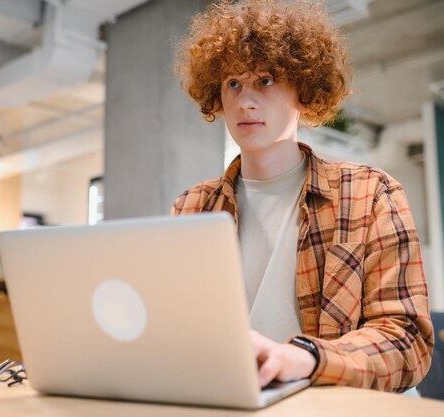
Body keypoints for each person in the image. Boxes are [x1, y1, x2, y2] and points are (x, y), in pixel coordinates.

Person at [172, 0, 433, 392]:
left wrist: (306, 359)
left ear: (304, 90)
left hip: (332, 400)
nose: (245, 101)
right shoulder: (192, 207)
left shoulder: (370, 194)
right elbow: (175, 328)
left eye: (265, 80)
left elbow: (407, 339)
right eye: (232, 83)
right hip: (236, 396)